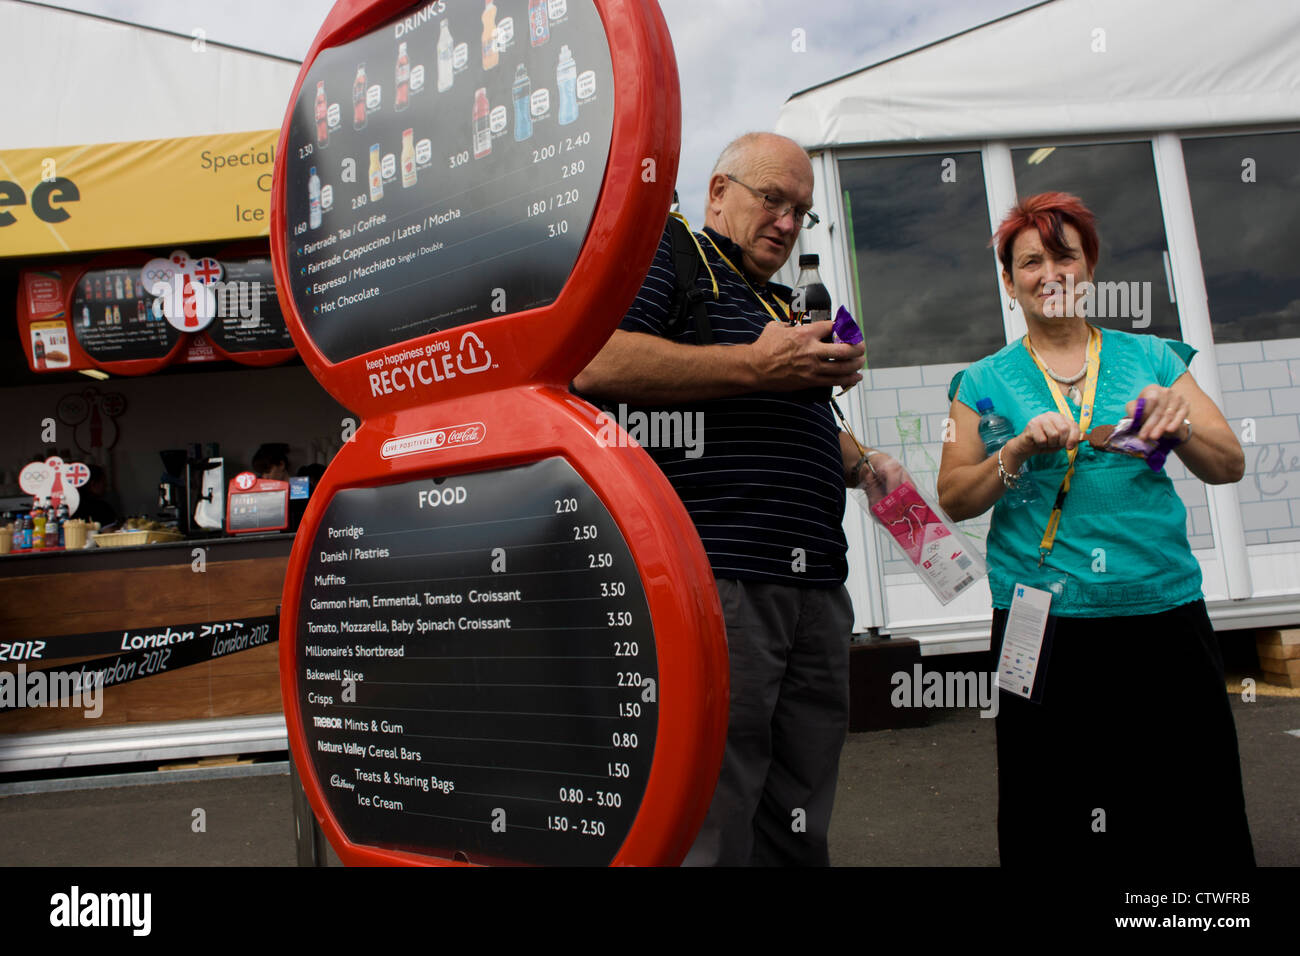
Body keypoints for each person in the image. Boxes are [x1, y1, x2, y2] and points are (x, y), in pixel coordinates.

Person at [575, 132, 895, 866]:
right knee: (715, 802)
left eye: (801, 211)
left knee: (801, 804)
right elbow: (596, 362)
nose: (787, 222)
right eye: (772, 199)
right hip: (720, 575)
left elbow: (789, 416)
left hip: (816, 581)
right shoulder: (672, 254)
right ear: (718, 192)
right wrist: (755, 365)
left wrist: (866, 462)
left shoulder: (777, 299)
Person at [936, 191, 1254, 867]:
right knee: (1047, 803)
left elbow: (1228, 464)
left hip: (1161, 609)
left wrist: (1181, 425)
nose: (1049, 272)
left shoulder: (1153, 361)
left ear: (1090, 267)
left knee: (1190, 799)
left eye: (1064, 255)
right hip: (1038, 619)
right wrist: (1014, 452)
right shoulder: (983, 383)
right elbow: (955, 497)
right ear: (1008, 281)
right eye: (1029, 262)